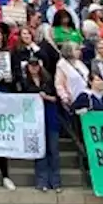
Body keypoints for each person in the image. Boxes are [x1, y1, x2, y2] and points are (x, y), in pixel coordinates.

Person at [24, 57, 63, 194]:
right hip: (35, 120)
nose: (34, 68)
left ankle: (56, 181)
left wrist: (45, 97)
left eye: (36, 65)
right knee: (40, 151)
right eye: (31, 66)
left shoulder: (48, 80)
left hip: (50, 116)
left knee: (54, 150)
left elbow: (56, 98)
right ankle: (42, 181)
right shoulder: (25, 82)